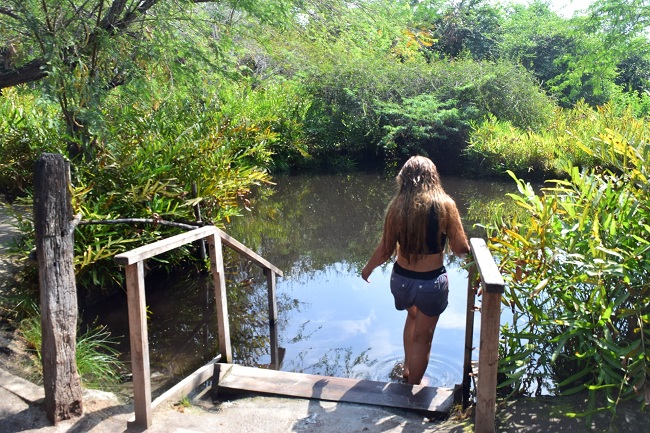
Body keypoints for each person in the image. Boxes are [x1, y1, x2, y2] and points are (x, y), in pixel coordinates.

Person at [361, 156, 470, 386]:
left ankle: (408, 370)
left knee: (412, 315)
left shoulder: (396, 207)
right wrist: (474, 265)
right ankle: (413, 388)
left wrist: (368, 269)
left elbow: (385, 249)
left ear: (405, 178)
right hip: (430, 284)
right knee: (423, 338)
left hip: (401, 282)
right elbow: (461, 248)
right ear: (433, 177)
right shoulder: (445, 205)